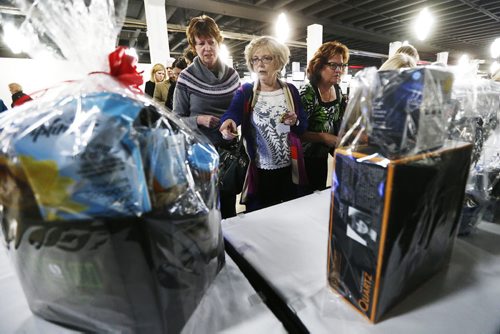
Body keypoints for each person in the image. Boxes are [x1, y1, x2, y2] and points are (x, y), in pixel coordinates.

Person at [220, 36, 308, 212]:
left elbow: (303, 126)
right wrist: (228, 123)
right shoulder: (246, 91)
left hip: (291, 168)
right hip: (260, 171)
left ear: (279, 62)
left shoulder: (290, 90)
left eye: (267, 58)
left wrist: (295, 121)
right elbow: (232, 113)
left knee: (290, 214)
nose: (260, 64)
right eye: (255, 59)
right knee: (262, 217)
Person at [173, 15, 240, 218]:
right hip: (200, 155)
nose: (207, 48)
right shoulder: (186, 78)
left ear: (219, 43)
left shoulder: (232, 76)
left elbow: (238, 111)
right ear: (194, 47)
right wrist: (198, 120)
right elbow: (175, 119)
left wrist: (233, 125)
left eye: (211, 42)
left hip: (228, 154)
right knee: (206, 209)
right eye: (201, 44)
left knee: (228, 208)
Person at [299, 41, 349, 193]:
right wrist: (322, 137)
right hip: (303, 160)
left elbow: (337, 122)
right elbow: (296, 133)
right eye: (333, 65)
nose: (338, 70)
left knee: (319, 192)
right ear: (319, 66)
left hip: (321, 157)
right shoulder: (308, 93)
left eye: (341, 66)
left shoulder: (338, 90)